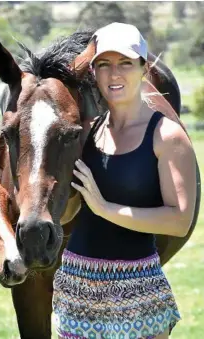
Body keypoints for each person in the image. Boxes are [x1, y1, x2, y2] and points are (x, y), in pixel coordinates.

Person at [52, 22, 197, 339]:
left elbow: (179, 220)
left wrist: (105, 208)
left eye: (125, 64)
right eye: (103, 65)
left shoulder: (167, 136)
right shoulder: (88, 132)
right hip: (77, 287)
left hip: (138, 292)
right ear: (93, 72)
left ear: (144, 68)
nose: (114, 75)